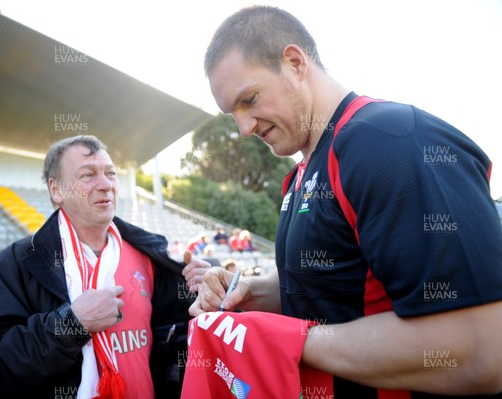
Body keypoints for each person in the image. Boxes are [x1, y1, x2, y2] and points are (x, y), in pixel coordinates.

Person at [191, 5, 502, 397]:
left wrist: (290, 340)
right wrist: (246, 293)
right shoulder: (303, 172)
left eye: (249, 99)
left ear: (294, 62)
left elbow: (482, 350)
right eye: (231, 114)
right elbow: (328, 288)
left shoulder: (387, 142)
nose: (243, 128)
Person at [0, 135, 210, 399]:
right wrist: (70, 326)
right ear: (56, 190)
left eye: (110, 173)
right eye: (88, 175)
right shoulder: (18, 263)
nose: (106, 184)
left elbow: (177, 337)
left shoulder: (150, 254)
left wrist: (198, 293)